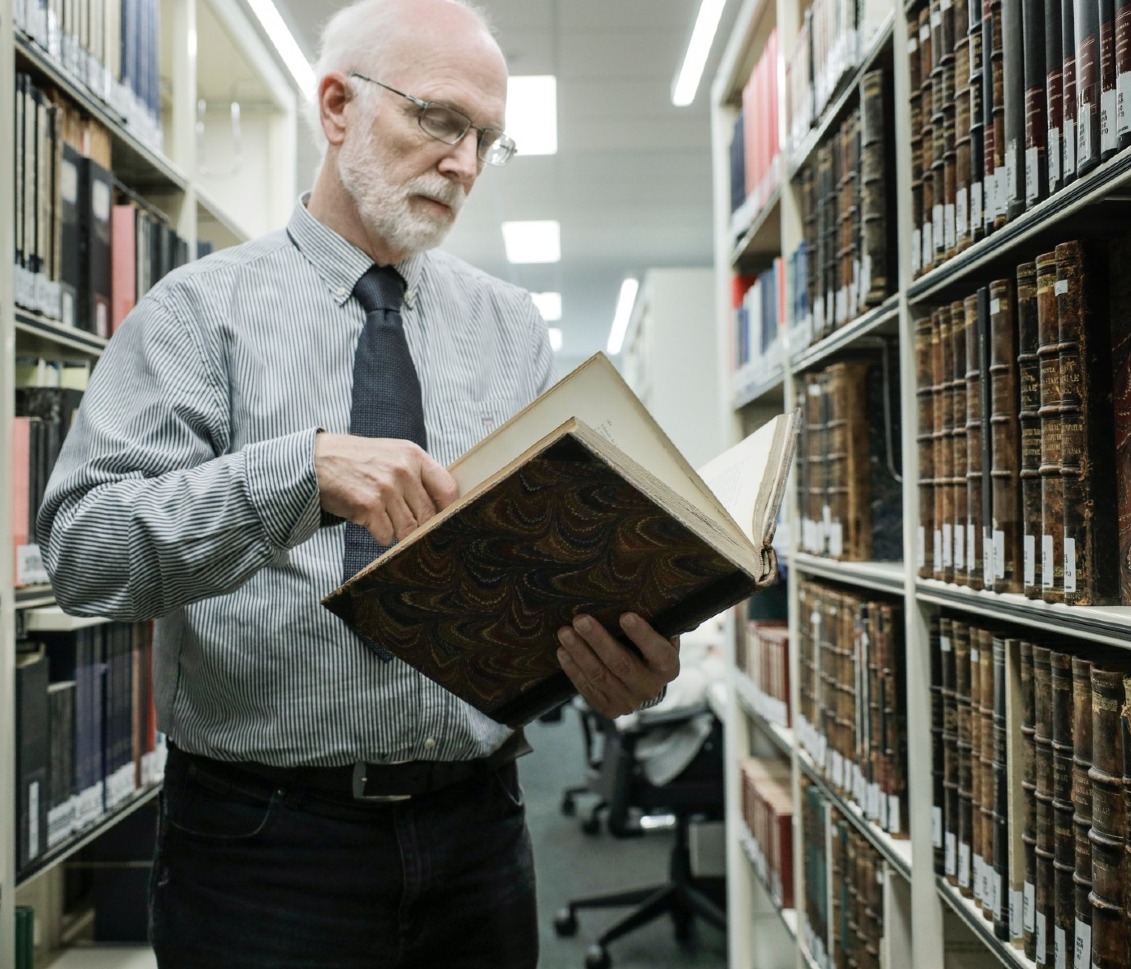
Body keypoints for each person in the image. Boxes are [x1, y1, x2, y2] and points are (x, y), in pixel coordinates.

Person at [37, 0, 681, 965]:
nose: (464, 163)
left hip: (481, 834)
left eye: (487, 141)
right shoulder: (197, 314)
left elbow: (530, 567)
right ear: (336, 106)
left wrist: (611, 656)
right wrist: (298, 472)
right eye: (440, 120)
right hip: (264, 847)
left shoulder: (510, 331)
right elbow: (85, 554)